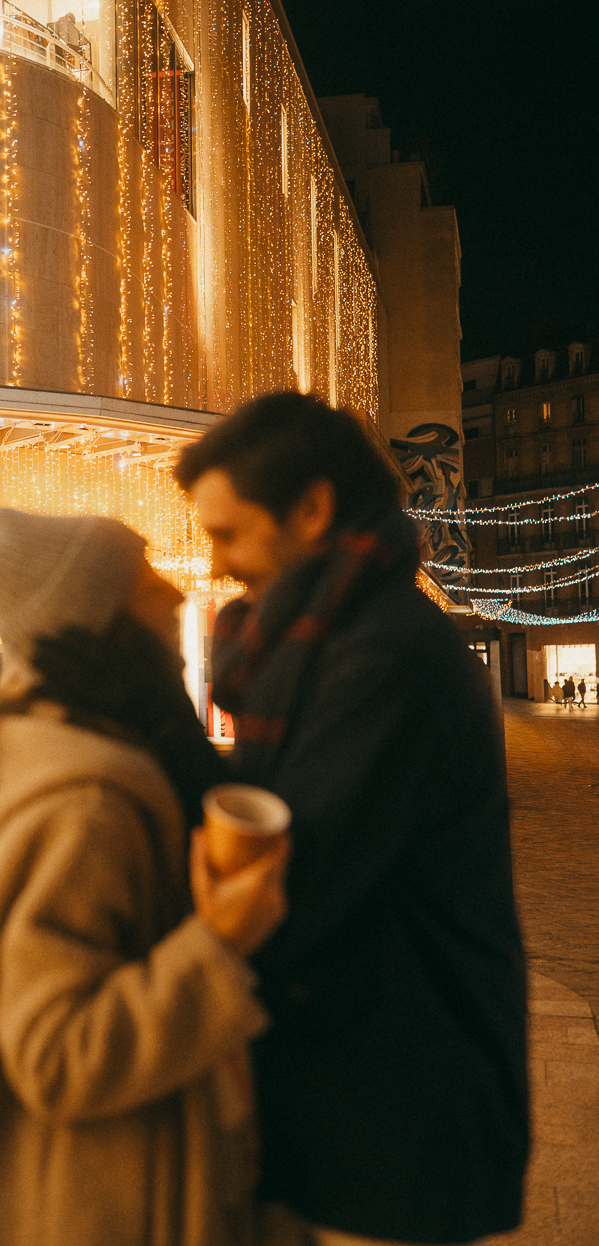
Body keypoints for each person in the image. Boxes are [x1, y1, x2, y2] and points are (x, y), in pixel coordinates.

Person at [175, 392, 529, 1246]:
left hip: (399, 1115)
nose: (218, 566)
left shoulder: (385, 652)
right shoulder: (323, 641)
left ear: (313, 508)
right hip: (356, 1090)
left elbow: (293, 878)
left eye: (228, 533)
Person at [0, 506, 290, 1246]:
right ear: (97, 618)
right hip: (121, 1203)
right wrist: (219, 943)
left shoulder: (68, 745)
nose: (177, 595)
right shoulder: (90, 804)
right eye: (147, 581)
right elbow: (59, 1055)